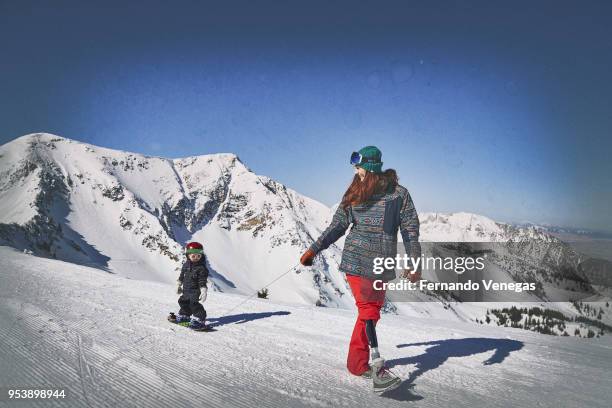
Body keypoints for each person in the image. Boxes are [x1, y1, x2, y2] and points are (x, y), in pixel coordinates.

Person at [300, 145, 422, 393]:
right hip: (356, 261)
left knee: (372, 313)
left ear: (370, 167)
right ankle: (374, 366)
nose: (355, 171)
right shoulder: (354, 192)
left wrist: (414, 262)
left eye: (359, 167)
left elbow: (410, 229)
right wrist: (313, 249)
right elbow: (337, 226)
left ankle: (356, 363)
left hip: (382, 264)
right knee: (367, 309)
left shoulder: (398, 195)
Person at [170, 241, 210, 330]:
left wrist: (203, 290)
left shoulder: (201, 268)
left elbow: (202, 280)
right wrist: (179, 284)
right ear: (188, 255)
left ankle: (200, 319)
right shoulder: (186, 265)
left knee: (193, 304)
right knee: (183, 301)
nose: (196, 258)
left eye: (198, 256)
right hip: (186, 289)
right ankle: (184, 315)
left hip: (195, 290)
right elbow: (182, 275)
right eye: (193, 256)